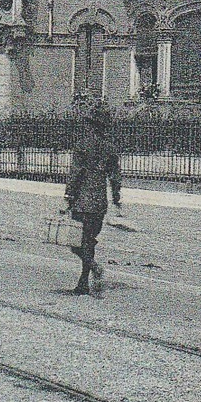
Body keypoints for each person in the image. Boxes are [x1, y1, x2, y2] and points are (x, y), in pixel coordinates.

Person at [64, 103, 122, 296]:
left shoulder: (82, 146)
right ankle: (83, 281)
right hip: (99, 202)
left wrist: (68, 196)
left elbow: (76, 173)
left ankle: (93, 268)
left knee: (75, 242)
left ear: (91, 125)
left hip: (82, 200)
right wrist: (116, 198)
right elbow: (115, 176)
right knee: (89, 241)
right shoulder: (110, 148)